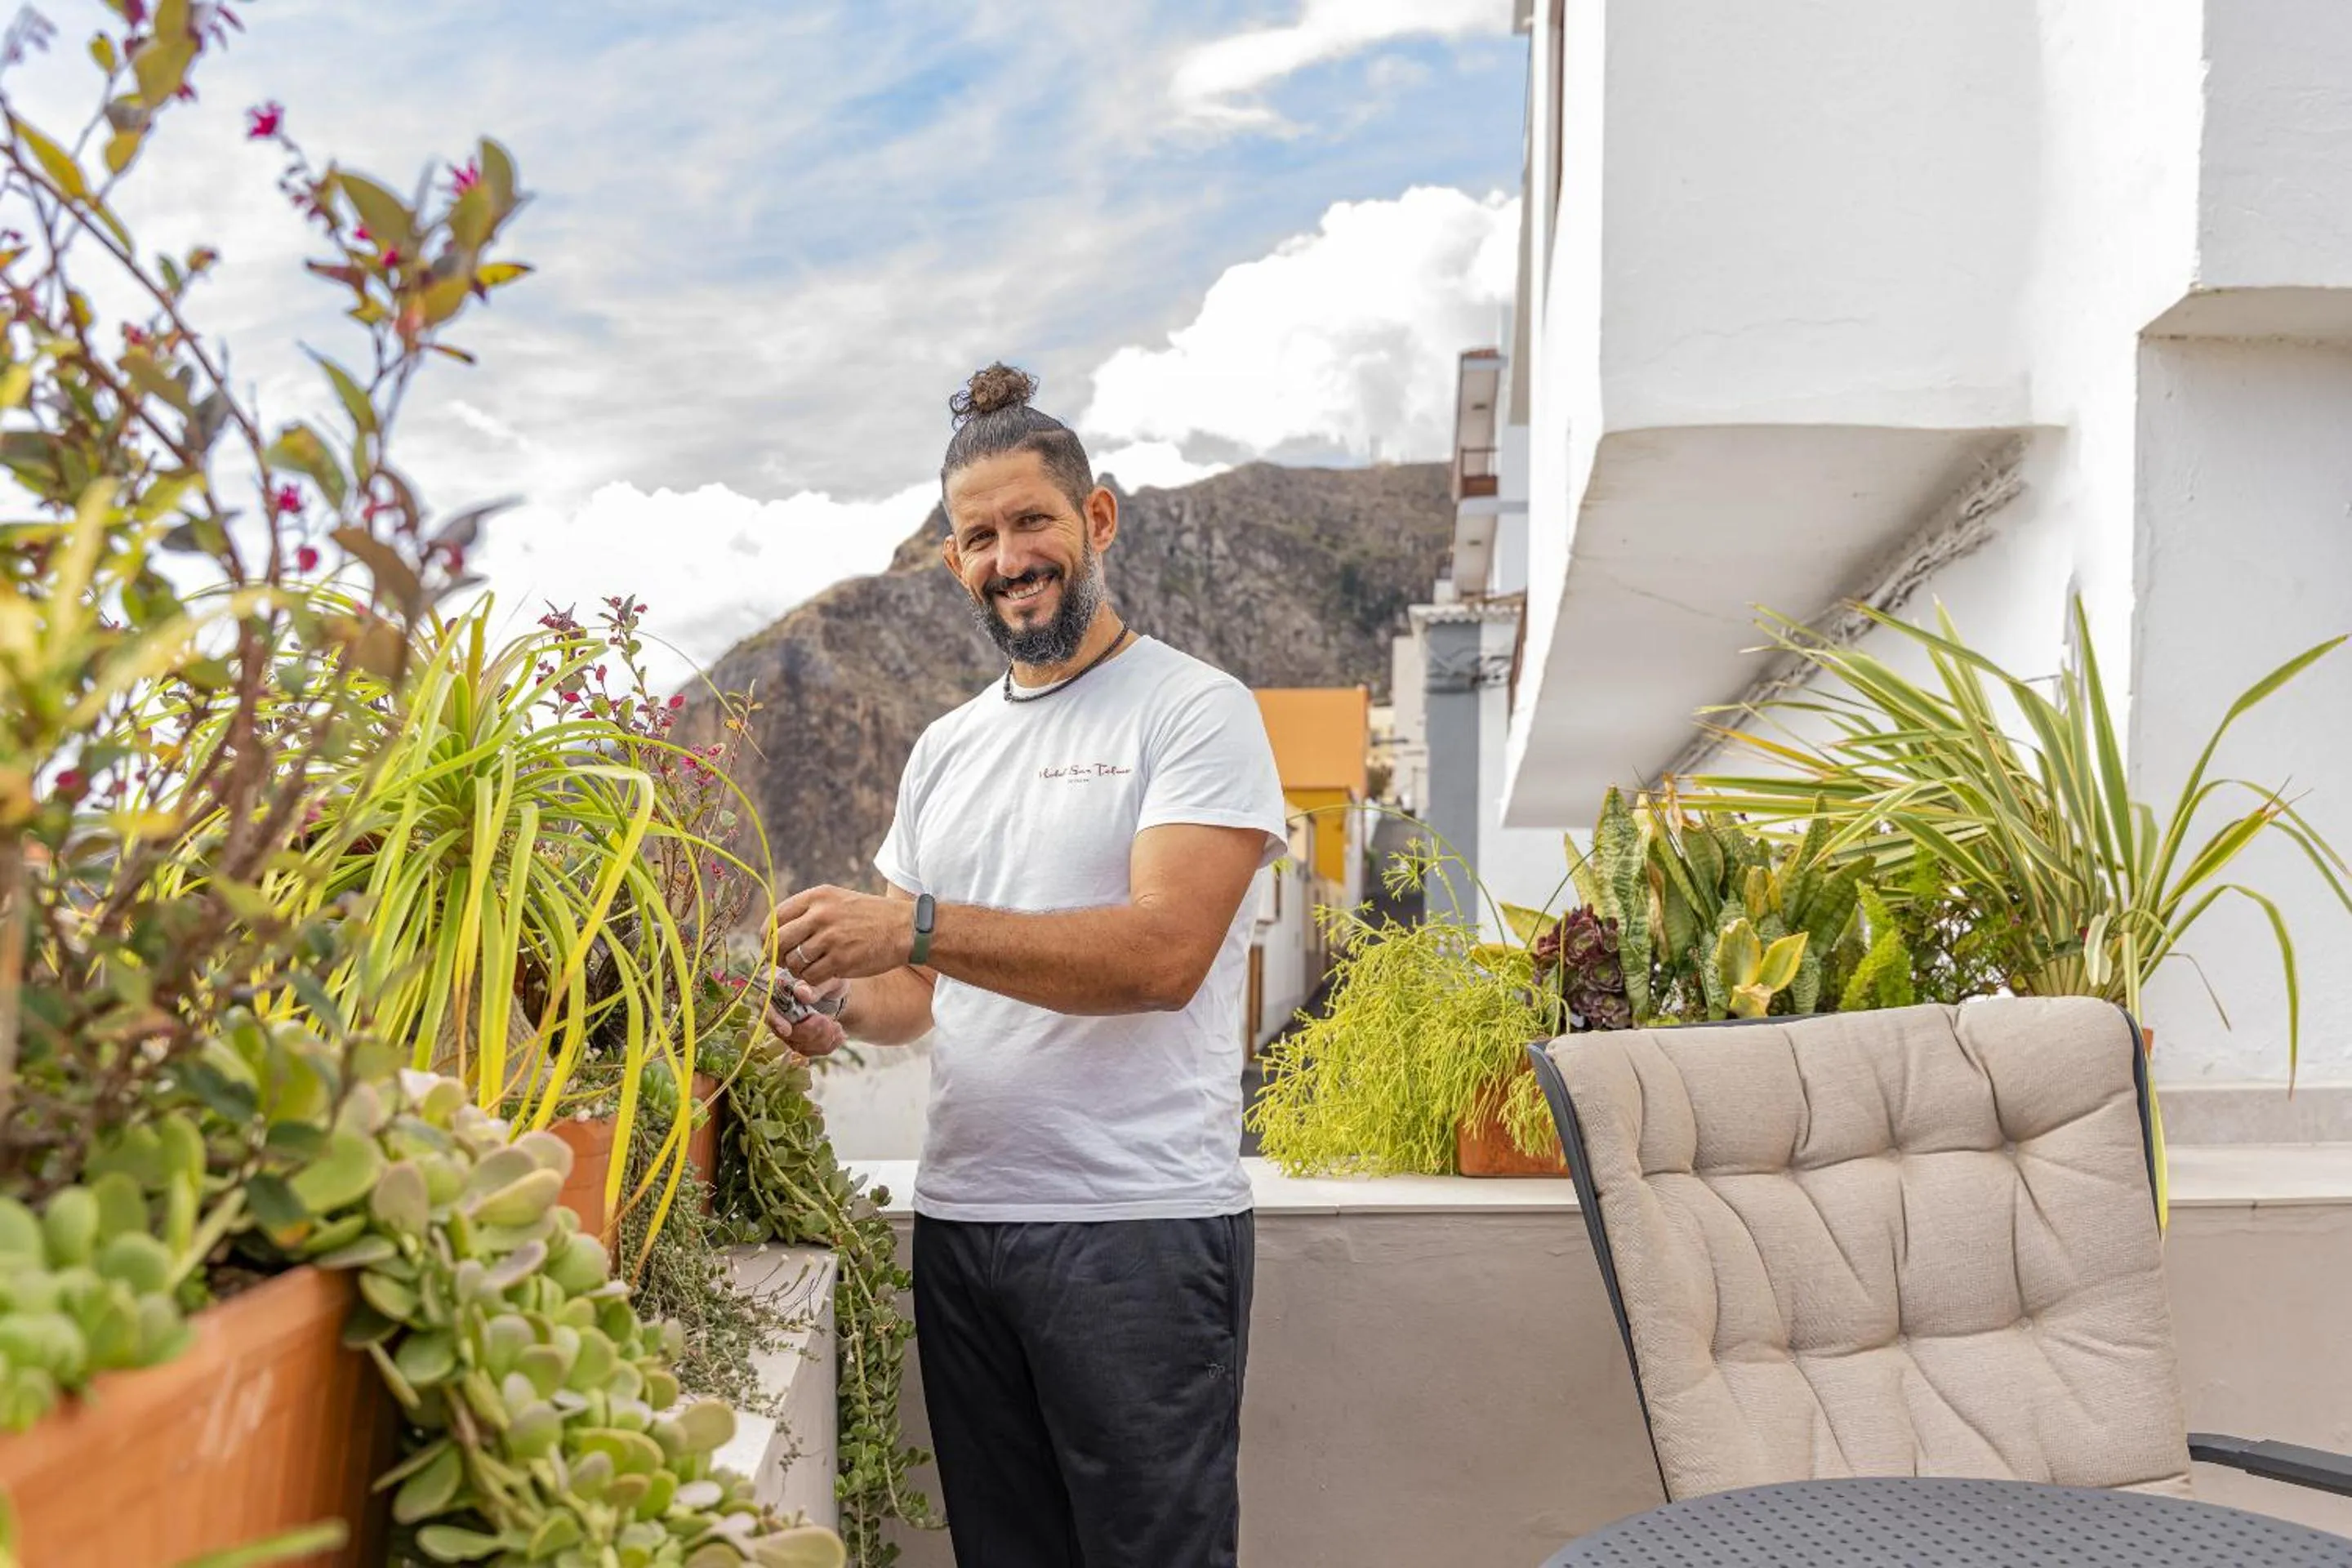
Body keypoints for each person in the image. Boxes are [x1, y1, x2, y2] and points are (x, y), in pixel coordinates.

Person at [764, 362, 1287, 1568]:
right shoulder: (945, 750)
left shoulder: (1194, 711)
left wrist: (917, 929)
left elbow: (1163, 955)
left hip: (1137, 1236)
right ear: (955, 561)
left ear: (1095, 521)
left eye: (1032, 521)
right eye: (980, 536)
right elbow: (913, 995)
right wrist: (835, 1006)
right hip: (964, 1225)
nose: (1010, 556)